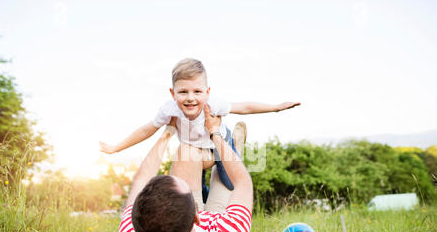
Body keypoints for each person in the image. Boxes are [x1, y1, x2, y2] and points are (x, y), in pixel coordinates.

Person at [101, 58, 300, 209]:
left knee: (227, 185)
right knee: (193, 173)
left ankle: (236, 143)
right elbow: (146, 129)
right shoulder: (169, 109)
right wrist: (116, 148)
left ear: (207, 92)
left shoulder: (214, 104)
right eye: (183, 92)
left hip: (219, 147)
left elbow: (244, 107)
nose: (190, 98)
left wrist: (275, 108)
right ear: (172, 93)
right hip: (196, 151)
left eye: (197, 92)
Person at [118, 104, 253, 232]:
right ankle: (231, 146)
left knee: (187, 150)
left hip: (186, 227)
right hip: (216, 223)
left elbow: (141, 180)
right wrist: (215, 133)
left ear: (137, 222)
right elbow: (243, 182)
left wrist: (168, 131)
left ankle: (207, 154)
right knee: (222, 175)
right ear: (197, 216)